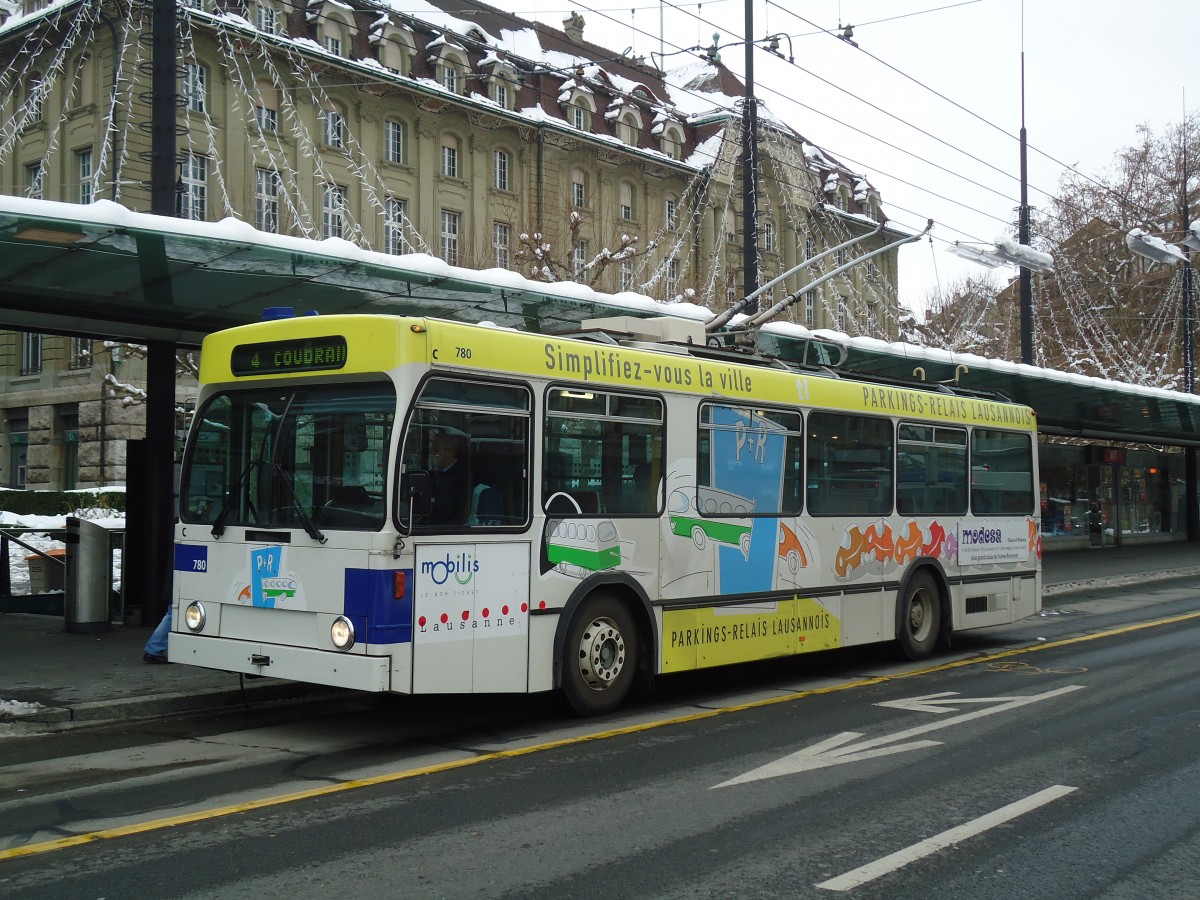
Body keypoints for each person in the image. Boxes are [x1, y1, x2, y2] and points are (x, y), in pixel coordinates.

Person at [429, 433, 467, 524]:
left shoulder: (458, 476)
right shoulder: (436, 473)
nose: (433, 454)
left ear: (449, 452)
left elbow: (445, 509)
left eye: (436, 450)